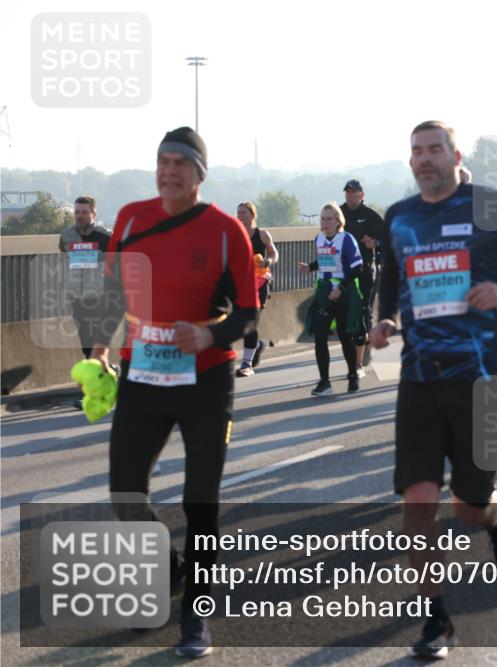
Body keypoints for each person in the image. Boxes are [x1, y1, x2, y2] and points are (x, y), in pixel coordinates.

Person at [370, 120, 497, 659]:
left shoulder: (490, 204)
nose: (425, 159)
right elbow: (391, 276)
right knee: (419, 503)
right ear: (410, 162)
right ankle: (438, 621)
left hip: (483, 377)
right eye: (417, 152)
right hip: (420, 377)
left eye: (435, 149)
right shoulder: (401, 216)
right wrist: (385, 320)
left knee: (469, 507)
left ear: (454, 155)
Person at [89, 127, 259, 658]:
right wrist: (97, 351)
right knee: (125, 495)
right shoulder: (131, 219)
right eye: (162, 161)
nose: (169, 171)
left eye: (181, 163)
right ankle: (167, 573)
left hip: (207, 379)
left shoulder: (227, 229)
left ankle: (196, 617)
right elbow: (112, 292)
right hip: (141, 374)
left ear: (199, 174)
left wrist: (210, 333)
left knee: (199, 502)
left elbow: (251, 316)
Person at [299, 204, 364, 396]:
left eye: (329, 219)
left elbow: (357, 268)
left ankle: (353, 375)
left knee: (345, 338)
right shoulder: (318, 239)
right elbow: (325, 261)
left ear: (338, 220)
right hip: (324, 294)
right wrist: (309, 267)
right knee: (319, 337)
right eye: (322, 219)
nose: (325, 222)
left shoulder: (346, 239)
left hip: (344, 293)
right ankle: (324, 382)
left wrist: (341, 288)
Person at [59, 195, 113, 409]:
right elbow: (66, 260)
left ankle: (92, 393)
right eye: (77, 212)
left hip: (100, 297)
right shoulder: (66, 236)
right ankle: (109, 372)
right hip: (77, 298)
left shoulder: (105, 237)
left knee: (94, 342)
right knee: (86, 343)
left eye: (84, 212)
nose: (80, 216)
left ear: (94, 214)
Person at [342, 179, 387, 377]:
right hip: (342, 271)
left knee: (363, 308)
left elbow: (389, 237)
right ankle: (362, 340)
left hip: (366, 269)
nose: (350, 196)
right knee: (345, 311)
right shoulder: (339, 213)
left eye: (353, 193)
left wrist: (375, 243)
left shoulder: (370, 216)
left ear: (362, 195)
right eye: (347, 193)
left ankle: (363, 342)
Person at [235, 201, 278, 377]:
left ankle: (246, 364)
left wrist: (268, 261)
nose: (240, 216)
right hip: (242, 284)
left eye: (244, 212)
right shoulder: (235, 234)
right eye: (238, 213)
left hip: (260, 282)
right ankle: (258, 345)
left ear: (253, 215)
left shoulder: (262, 234)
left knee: (251, 319)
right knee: (241, 322)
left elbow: (274, 254)